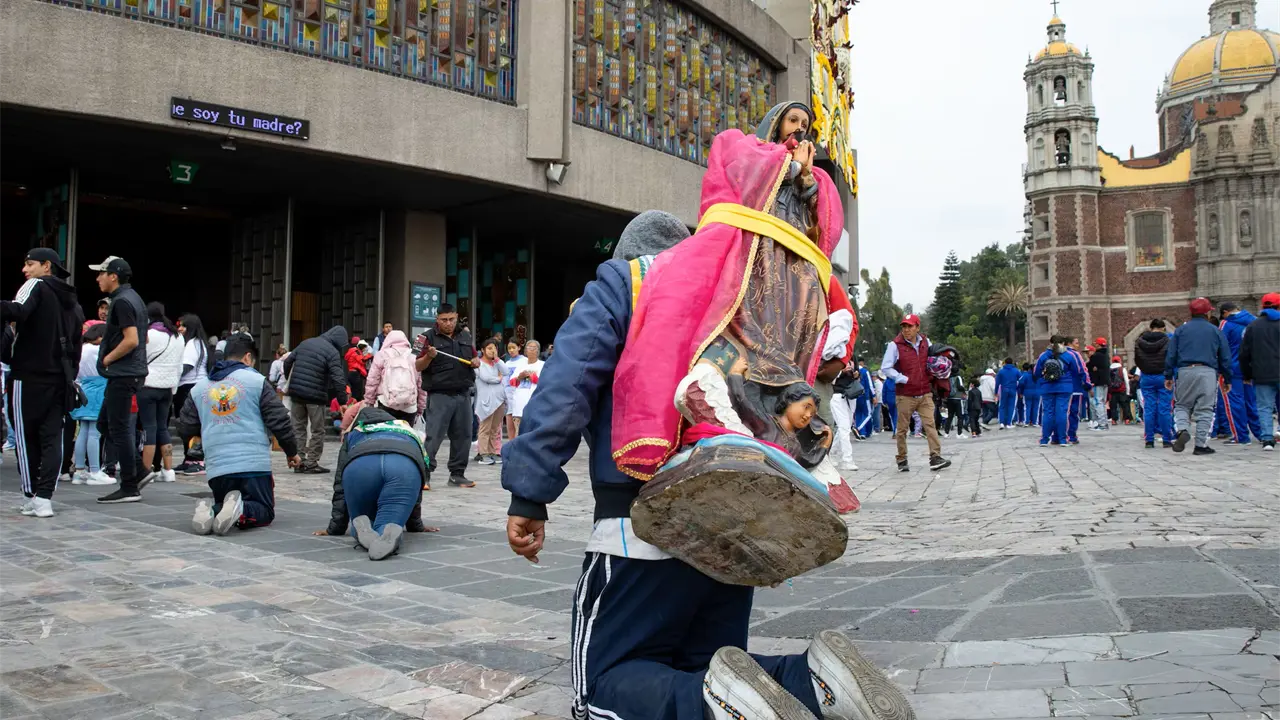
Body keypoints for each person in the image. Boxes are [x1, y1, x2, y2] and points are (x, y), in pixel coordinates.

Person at [503, 135, 894, 720]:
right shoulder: (734, 296)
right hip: (735, 516)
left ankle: (717, 707)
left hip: (641, 521)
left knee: (603, 685)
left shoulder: (625, 281)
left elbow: (567, 383)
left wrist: (530, 491)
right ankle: (816, 682)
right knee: (711, 664)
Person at [179, 334, 300, 535]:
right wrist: (291, 452)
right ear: (247, 357)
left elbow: (185, 427)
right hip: (253, 465)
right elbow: (279, 421)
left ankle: (211, 509)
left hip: (218, 469)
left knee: (225, 505)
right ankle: (240, 508)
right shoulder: (256, 381)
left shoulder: (199, 388)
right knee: (263, 511)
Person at [1, 249, 83, 517]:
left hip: (28, 376)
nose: (25, 270)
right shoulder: (72, 300)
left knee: (25, 439)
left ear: (46, 266)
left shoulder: (35, 285)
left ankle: (31, 494)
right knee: (52, 439)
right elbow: (76, 344)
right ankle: (45, 497)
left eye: (29, 264)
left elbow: (19, 310)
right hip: (60, 378)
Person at [317, 405, 436, 558]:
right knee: (389, 522)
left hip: (360, 466)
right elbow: (419, 481)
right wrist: (415, 525)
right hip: (403, 466)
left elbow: (340, 486)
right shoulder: (409, 431)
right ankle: (387, 532)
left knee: (360, 518)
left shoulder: (355, 433)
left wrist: (335, 528)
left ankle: (359, 530)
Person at [90, 256, 149, 505]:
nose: (97, 278)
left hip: (123, 373)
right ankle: (140, 470)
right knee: (106, 423)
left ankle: (129, 485)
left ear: (113, 275)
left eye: (101, 273)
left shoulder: (122, 301)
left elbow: (133, 339)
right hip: (127, 372)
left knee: (119, 428)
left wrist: (107, 360)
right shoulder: (133, 298)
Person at [414, 304, 479, 489]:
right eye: (444, 320)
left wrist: (476, 362)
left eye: (451, 319)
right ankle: (423, 475)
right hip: (439, 394)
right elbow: (416, 365)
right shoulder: (423, 338)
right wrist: (428, 357)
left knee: (464, 436)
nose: (448, 323)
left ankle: (457, 474)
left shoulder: (466, 335)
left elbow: (475, 358)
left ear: (456, 317)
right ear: (437, 319)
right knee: (434, 437)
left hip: (463, 393)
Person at [882, 314, 951, 472]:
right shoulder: (895, 345)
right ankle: (902, 458)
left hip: (925, 392)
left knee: (930, 425)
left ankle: (935, 457)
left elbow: (933, 359)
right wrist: (902, 379)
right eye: (904, 326)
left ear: (917, 328)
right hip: (905, 394)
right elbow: (886, 367)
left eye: (910, 326)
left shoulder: (926, 342)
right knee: (902, 430)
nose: (906, 330)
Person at [1166, 298, 1233, 455]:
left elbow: (1171, 354)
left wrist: (1168, 375)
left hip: (1185, 371)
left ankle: (1182, 429)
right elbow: (1225, 356)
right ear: (1208, 312)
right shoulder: (1215, 330)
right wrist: (1227, 378)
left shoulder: (1181, 330)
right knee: (1206, 410)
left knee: (1182, 405)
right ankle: (1201, 445)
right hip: (1208, 372)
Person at [283, 325, 350, 474]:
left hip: (297, 393)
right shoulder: (332, 352)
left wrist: (292, 380)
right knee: (317, 430)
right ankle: (311, 463)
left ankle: (298, 460)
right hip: (315, 396)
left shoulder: (306, 342)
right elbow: (338, 378)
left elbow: (287, 362)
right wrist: (343, 401)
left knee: (298, 428)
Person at [136, 302, 184, 485]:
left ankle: (146, 471)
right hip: (168, 387)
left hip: (148, 385)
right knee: (163, 428)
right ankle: (169, 470)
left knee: (149, 428)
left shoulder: (148, 335)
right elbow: (180, 366)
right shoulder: (177, 336)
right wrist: (174, 387)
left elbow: (139, 358)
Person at [71, 323, 112, 485]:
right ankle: (95, 470)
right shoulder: (98, 350)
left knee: (83, 431)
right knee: (95, 433)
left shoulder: (80, 349)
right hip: (99, 391)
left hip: (84, 390)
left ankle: (79, 471)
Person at [174, 313, 214, 475]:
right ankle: (189, 459)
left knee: (190, 425)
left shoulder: (192, 344)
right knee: (192, 425)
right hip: (198, 387)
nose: (180, 329)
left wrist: (171, 377)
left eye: (183, 326)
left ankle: (196, 460)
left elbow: (187, 366)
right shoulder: (200, 343)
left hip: (189, 387)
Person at [1219, 301, 1262, 445]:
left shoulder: (1226, 324)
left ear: (1225, 312)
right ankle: (1260, 433)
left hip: (1233, 368)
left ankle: (1241, 435)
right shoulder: (1254, 321)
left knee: (1234, 403)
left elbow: (1221, 346)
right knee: (1252, 402)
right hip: (1251, 367)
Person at [1241, 292, 1280, 451]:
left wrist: (1247, 374)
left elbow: (1244, 353)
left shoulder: (1253, 326)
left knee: (1264, 407)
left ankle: (1267, 439)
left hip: (1262, 373)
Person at [1034, 335, 1088, 447]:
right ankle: (1063, 439)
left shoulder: (1043, 356)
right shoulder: (1068, 355)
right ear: (1063, 343)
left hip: (1047, 387)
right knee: (1062, 413)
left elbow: (1036, 372)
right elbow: (1078, 370)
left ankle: (1044, 439)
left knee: (1048, 413)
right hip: (1064, 387)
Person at [364, 329, 425, 424]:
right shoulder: (414, 356)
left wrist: (369, 401)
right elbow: (421, 385)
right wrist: (421, 407)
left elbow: (372, 381)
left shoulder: (382, 355)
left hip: (386, 403)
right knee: (406, 436)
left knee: (386, 436)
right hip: (409, 406)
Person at [1135, 319, 1174, 448]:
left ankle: (1149, 440)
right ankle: (1167, 439)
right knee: (1164, 408)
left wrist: (1145, 369)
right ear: (1163, 328)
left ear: (1151, 328)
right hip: (1163, 376)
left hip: (1146, 376)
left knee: (1149, 408)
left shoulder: (1139, 341)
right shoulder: (1168, 341)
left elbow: (1137, 360)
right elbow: (1170, 358)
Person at [474, 339, 509, 465]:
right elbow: (486, 378)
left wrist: (497, 360)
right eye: (489, 348)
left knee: (495, 429)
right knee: (485, 428)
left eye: (494, 348)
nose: (492, 351)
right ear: (482, 350)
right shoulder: (478, 364)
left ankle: (493, 452)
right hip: (486, 402)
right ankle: (483, 453)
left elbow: (506, 372)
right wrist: (499, 379)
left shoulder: (497, 363)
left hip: (499, 401)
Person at [508, 340, 545, 437]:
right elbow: (512, 382)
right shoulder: (521, 365)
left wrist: (532, 377)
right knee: (519, 435)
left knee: (533, 435)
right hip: (519, 406)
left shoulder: (543, 365)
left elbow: (545, 383)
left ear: (538, 351)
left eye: (534, 348)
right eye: (529, 347)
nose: (532, 350)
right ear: (525, 351)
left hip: (535, 406)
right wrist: (520, 377)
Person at [829, 364, 858, 469]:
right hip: (837, 395)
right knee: (844, 427)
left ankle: (832, 452)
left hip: (851, 394)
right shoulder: (835, 356)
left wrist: (855, 374)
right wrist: (841, 371)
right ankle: (847, 459)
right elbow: (828, 377)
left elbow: (857, 375)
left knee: (845, 428)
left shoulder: (852, 356)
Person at [1066, 337, 1092, 444]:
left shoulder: (1056, 354)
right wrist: (1088, 385)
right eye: (1076, 343)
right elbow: (1083, 370)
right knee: (1073, 412)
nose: (1078, 345)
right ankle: (1071, 435)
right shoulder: (1075, 355)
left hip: (1059, 389)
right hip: (1074, 387)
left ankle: (1058, 435)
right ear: (1069, 343)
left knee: (1060, 412)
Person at [1086, 338, 1112, 430]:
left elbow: (1089, 367)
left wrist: (1093, 367)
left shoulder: (1096, 356)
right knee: (1102, 402)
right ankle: (1104, 423)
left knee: (1098, 402)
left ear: (1098, 345)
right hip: (1106, 382)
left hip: (1098, 382)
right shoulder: (1106, 355)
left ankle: (1102, 424)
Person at [503, 339, 523, 443]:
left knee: (520, 426)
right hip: (508, 396)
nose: (511, 350)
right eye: (509, 348)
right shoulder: (506, 364)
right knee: (510, 425)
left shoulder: (524, 361)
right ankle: (511, 446)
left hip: (520, 396)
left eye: (513, 348)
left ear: (519, 347)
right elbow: (504, 382)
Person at [1108, 356, 1134, 426]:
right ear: (1119, 361)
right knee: (1124, 405)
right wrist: (1128, 391)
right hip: (1121, 390)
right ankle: (1127, 420)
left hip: (1112, 391)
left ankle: (1114, 420)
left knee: (1113, 406)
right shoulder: (1122, 369)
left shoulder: (1109, 369)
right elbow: (1126, 380)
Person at [995, 358, 1020, 429]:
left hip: (1004, 390)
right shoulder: (1016, 371)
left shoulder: (1001, 371)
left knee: (1002, 406)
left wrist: (996, 392)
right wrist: (1018, 388)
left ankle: (1002, 423)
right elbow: (1021, 380)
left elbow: (997, 383)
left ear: (1005, 363)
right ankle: (1009, 423)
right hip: (1013, 389)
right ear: (1012, 363)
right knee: (1011, 407)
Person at [344, 337, 370, 402]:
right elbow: (362, 360)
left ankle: (352, 406)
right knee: (357, 392)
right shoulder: (355, 351)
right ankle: (355, 407)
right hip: (355, 374)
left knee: (353, 391)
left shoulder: (350, 351)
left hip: (350, 373)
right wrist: (370, 355)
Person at [942, 371, 966, 438]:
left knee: (950, 416)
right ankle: (959, 433)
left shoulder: (949, 378)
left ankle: (946, 433)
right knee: (960, 417)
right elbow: (960, 386)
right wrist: (964, 391)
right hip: (958, 398)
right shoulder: (958, 377)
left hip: (950, 399)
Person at [1018, 362, 1039, 427]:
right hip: (1037, 393)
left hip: (1027, 393)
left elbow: (1020, 383)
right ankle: (1034, 422)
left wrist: (1021, 392)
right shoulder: (1038, 375)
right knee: (1036, 408)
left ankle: (1027, 422)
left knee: (1027, 408)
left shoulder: (1025, 375)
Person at [879, 369, 897, 435]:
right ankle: (896, 430)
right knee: (897, 415)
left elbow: (884, 392)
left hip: (890, 400)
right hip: (898, 399)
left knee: (892, 416)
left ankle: (895, 431)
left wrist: (884, 401)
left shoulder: (886, 382)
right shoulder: (898, 380)